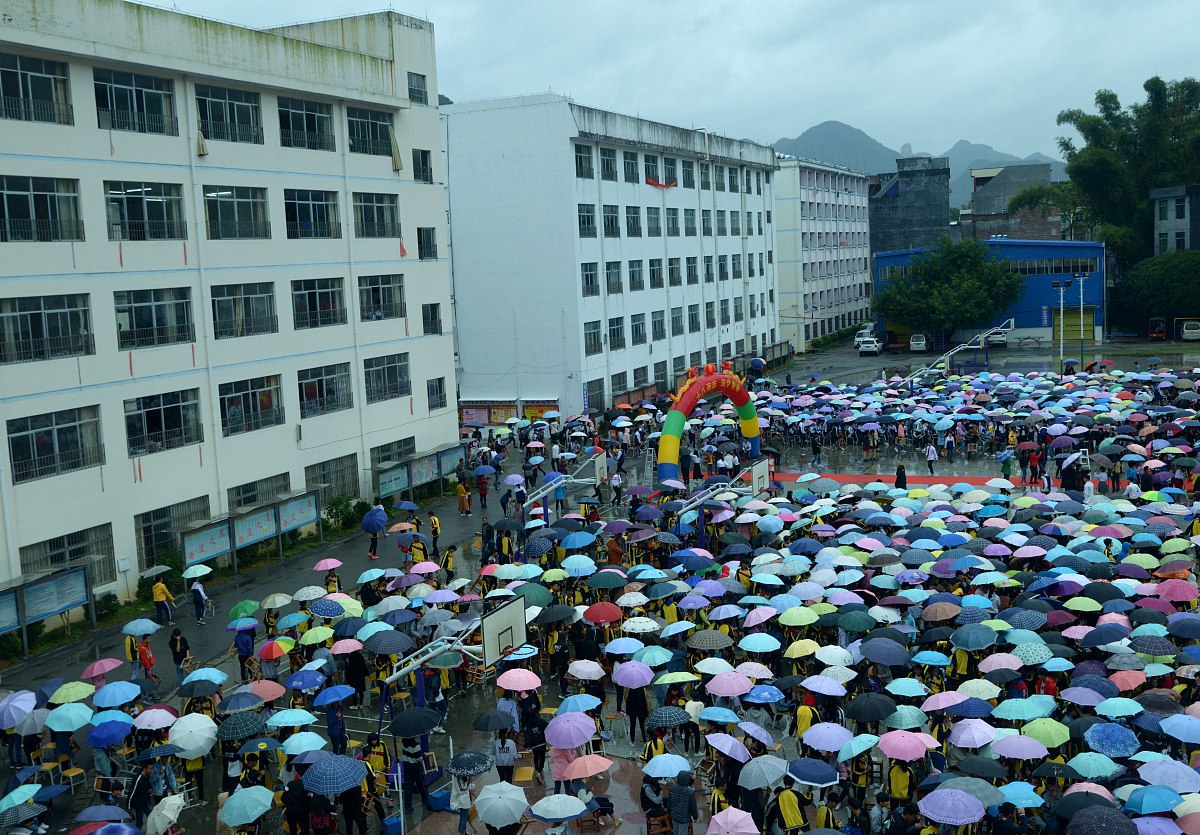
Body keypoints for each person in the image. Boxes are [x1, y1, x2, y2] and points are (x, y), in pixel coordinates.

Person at [128, 762, 154, 829]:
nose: (151, 771)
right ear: (144, 769)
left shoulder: (147, 776)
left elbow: (148, 784)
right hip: (139, 804)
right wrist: (129, 807)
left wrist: (150, 788)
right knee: (139, 823)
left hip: (146, 802)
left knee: (152, 817)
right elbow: (131, 793)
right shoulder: (138, 779)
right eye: (150, 769)